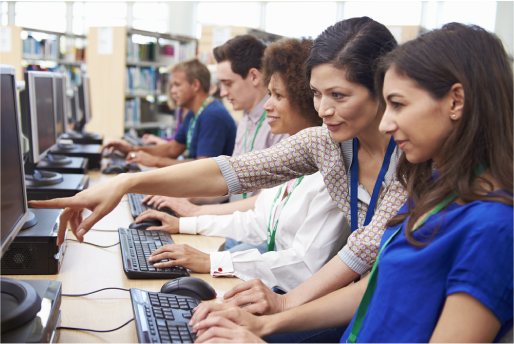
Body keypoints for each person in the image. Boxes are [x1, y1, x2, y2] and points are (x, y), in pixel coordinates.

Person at [29, 18, 406, 341]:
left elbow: (364, 250)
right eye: (316, 94)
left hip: (383, 312)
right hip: (351, 296)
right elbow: (229, 172)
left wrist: (281, 305)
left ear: (383, 87)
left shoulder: (409, 161)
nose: (323, 109)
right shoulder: (325, 142)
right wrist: (126, 182)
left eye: (339, 95)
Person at [188, 22, 514, 344]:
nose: (386, 123)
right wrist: (264, 327)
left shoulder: (493, 227)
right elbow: (374, 286)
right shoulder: (436, 189)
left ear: (456, 102)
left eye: (398, 105)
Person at [134, 38, 349, 292]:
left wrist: (212, 260)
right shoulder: (291, 158)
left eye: (278, 96)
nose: (268, 104)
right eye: (270, 94)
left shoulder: (331, 175)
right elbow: (258, 221)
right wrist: (185, 223)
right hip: (274, 276)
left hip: (294, 292)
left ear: (302, 97)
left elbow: (302, 266)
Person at [105, 59, 237, 167]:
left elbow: (203, 166)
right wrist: (132, 150)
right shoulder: (194, 113)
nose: (172, 91)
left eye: (177, 85)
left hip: (211, 197)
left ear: (195, 85)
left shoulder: (213, 115)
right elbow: (172, 149)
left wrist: (155, 161)